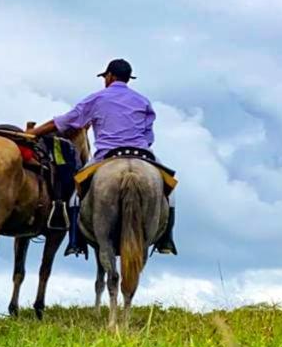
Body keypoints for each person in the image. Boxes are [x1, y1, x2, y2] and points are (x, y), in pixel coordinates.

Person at [29, 59, 176, 256]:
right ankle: (166, 240)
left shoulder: (96, 99)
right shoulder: (143, 101)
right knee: (170, 192)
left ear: (110, 76)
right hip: (142, 154)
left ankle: (75, 241)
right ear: (127, 79)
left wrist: (34, 133)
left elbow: (65, 121)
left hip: (107, 155)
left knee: (76, 195)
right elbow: (149, 137)